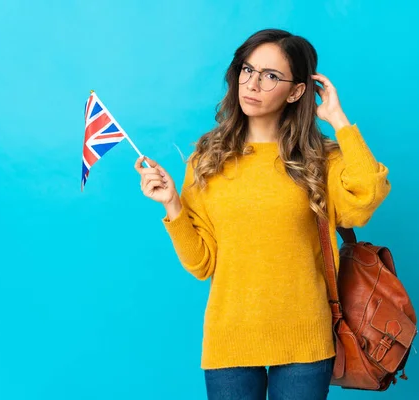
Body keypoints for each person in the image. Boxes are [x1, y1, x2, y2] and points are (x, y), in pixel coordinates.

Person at [134, 28, 391, 400]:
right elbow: (202, 263)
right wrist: (172, 204)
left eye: (270, 76)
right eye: (247, 70)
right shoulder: (207, 159)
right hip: (230, 338)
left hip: (305, 338)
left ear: (297, 91)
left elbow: (366, 196)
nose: (252, 83)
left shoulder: (320, 159)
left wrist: (337, 119)